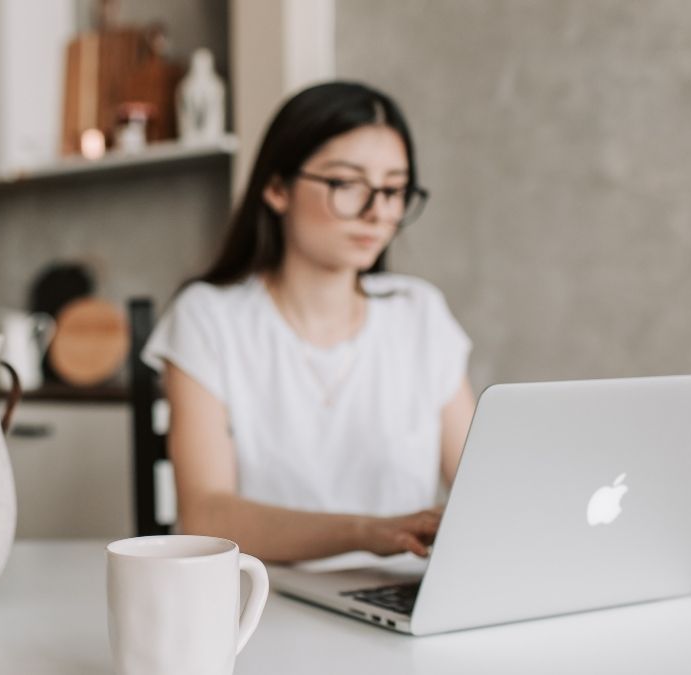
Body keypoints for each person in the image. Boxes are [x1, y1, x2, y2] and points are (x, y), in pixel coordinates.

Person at [141, 81, 476, 564]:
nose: (378, 212)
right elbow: (206, 515)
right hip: (261, 595)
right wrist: (366, 531)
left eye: (394, 189)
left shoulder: (420, 313)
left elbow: (480, 489)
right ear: (277, 188)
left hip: (400, 593)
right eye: (346, 184)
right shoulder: (208, 319)